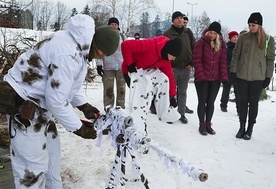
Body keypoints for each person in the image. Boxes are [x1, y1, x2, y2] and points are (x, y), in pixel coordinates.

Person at [3, 14, 119, 188]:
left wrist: (83, 105)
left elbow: (66, 85)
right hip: (25, 110)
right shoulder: (68, 54)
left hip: (41, 109)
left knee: (52, 162)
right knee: (32, 170)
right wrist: (78, 128)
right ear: (99, 46)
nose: (101, 58)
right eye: (103, 54)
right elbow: (56, 100)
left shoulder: (77, 46)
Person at [121, 36, 182, 133]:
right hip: (131, 72)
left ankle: (162, 111)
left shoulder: (165, 61)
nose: (173, 59)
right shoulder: (151, 45)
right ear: (168, 51)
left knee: (164, 79)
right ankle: (136, 125)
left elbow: (170, 77)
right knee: (140, 98)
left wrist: (172, 96)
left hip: (145, 72)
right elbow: (125, 45)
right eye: (173, 56)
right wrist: (129, 63)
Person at [230, 12, 275, 140]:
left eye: (253, 25)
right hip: (242, 76)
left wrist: (268, 77)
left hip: (258, 78)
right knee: (243, 102)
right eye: (249, 25)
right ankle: (242, 126)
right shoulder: (243, 38)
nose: (251, 27)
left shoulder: (268, 40)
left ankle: (250, 128)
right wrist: (233, 71)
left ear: (259, 25)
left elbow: (270, 59)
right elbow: (236, 55)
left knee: (253, 103)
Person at [193, 21, 228, 136]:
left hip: (215, 79)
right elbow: (197, 61)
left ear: (218, 35)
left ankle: (208, 123)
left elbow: (223, 62)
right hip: (202, 79)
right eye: (210, 33)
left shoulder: (221, 45)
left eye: (214, 33)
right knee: (202, 102)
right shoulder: (201, 43)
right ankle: (201, 124)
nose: (212, 35)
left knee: (211, 102)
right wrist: (201, 76)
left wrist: (224, 78)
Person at [163, 11, 195, 124]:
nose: (180, 20)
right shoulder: (167, 33)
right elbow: (164, 51)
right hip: (172, 67)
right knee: (170, 92)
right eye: (177, 18)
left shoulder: (188, 32)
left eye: (181, 18)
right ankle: (170, 114)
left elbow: (193, 47)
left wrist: (192, 63)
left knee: (182, 91)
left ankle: (181, 113)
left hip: (186, 67)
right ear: (173, 20)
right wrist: (168, 66)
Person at [96, 17, 126, 110]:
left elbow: (127, 51)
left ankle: (120, 110)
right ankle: (109, 109)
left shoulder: (122, 37)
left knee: (121, 90)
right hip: (107, 67)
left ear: (118, 26)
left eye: (115, 24)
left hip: (121, 67)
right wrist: (99, 65)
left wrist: (128, 64)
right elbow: (99, 50)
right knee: (108, 90)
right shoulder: (104, 36)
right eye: (111, 24)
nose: (114, 26)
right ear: (108, 25)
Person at [220, 31, 240, 114]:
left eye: (236, 37)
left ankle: (239, 108)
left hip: (238, 72)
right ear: (230, 38)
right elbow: (224, 60)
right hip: (228, 71)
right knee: (226, 89)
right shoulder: (227, 48)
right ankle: (223, 105)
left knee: (238, 91)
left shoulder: (240, 48)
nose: (235, 39)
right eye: (233, 37)